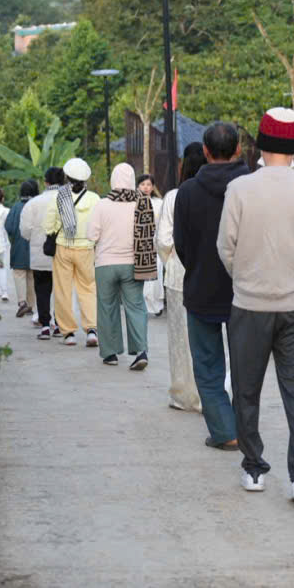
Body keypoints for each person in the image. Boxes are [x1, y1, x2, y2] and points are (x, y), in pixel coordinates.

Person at [218, 107, 294, 500]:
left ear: (261, 145)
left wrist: (248, 276)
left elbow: (226, 249)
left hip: (249, 303)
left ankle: (253, 468)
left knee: (247, 389)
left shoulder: (239, 189)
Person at [173, 121, 250, 451]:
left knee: (207, 366)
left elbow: (181, 243)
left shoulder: (188, 192)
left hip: (201, 287)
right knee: (247, 364)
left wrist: (199, 267)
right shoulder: (251, 187)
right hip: (246, 290)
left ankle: (224, 430)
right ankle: (245, 428)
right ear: (238, 150)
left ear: (205, 151)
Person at [87, 163, 155, 370]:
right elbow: (150, 231)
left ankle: (110, 353)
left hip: (105, 264)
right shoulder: (142, 202)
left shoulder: (102, 204)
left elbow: (92, 235)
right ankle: (141, 350)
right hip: (133, 264)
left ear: (113, 180)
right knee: (135, 306)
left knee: (107, 307)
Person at [156, 143, 206, 412]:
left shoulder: (174, 197)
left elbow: (163, 239)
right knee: (210, 338)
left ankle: (183, 395)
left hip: (178, 275)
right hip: (212, 275)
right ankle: (211, 393)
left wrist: (171, 261)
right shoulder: (218, 192)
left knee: (179, 338)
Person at [43, 157, 100, 348]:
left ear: (67, 177)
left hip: (63, 247)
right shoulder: (94, 199)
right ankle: (91, 329)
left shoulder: (58, 196)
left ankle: (68, 333)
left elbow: (48, 224)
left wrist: (52, 232)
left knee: (63, 290)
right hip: (86, 248)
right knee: (88, 288)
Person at [21, 166, 65, 339]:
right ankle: (60, 325)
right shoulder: (68, 201)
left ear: (45, 182)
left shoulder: (33, 203)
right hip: (63, 253)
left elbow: (25, 230)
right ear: (63, 181)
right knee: (61, 290)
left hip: (40, 253)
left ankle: (45, 326)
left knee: (42, 290)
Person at [5, 179, 39, 319]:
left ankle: (21, 302)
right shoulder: (37, 206)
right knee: (32, 276)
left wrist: (14, 238)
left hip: (18, 247)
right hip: (34, 248)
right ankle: (31, 305)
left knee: (19, 274)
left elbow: (9, 227)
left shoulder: (15, 207)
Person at [136, 173, 166, 317]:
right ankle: (144, 304)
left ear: (153, 186)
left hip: (155, 241)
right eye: (142, 184)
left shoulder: (159, 203)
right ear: (137, 186)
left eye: (148, 184)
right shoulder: (134, 202)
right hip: (140, 243)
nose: (146, 187)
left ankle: (157, 305)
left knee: (157, 273)